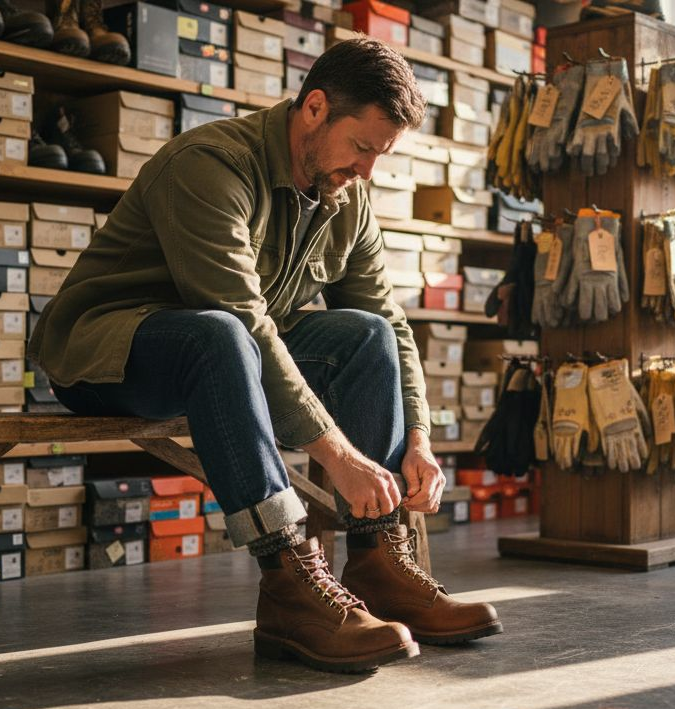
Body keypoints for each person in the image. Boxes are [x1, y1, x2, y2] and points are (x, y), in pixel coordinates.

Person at [29, 38, 502, 673]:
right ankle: (287, 582)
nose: (367, 171)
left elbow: (389, 319)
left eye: (380, 156)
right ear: (313, 108)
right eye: (361, 148)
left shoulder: (347, 195)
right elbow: (243, 322)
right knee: (219, 333)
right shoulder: (210, 165)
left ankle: (381, 564)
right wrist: (339, 455)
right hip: (109, 354)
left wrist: (417, 435)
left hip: (230, 356)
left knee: (364, 333)